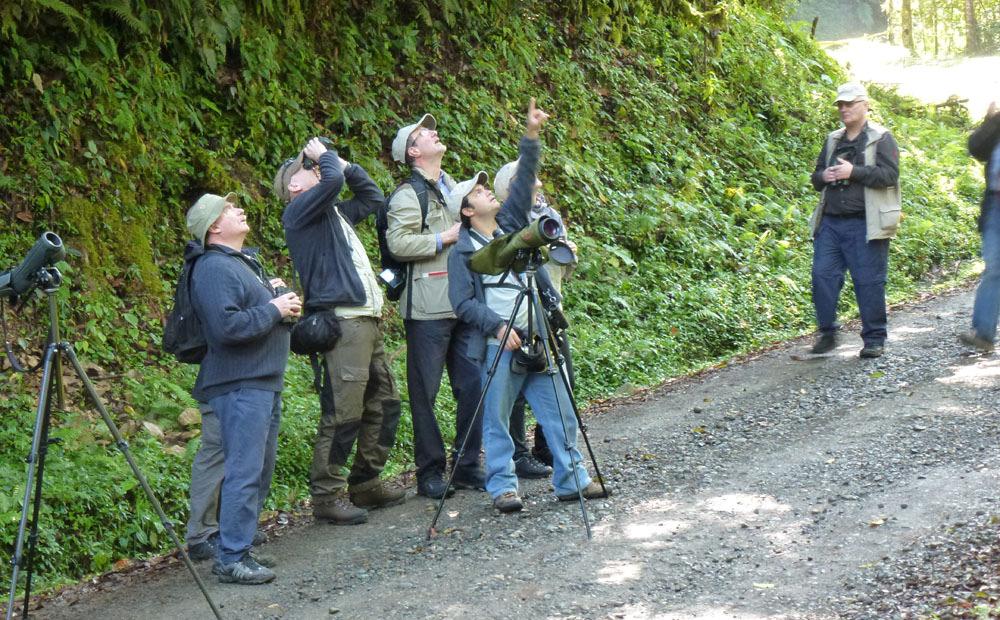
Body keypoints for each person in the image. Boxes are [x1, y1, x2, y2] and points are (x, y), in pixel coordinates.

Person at [447, 99, 609, 513]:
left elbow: (522, 185)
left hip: (539, 334)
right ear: (467, 211)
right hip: (500, 343)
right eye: (479, 192)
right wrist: (498, 328)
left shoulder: (511, 228)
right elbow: (462, 303)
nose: (488, 192)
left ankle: (573, 480)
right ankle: (503, 487)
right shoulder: (462, 251)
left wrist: (532, 135)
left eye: (487, 188)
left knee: (560, 411)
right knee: (497, 421)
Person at [275, 138, 405, 524]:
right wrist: (326, 159)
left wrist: (343, 163)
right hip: (344, 321)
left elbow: (372, 197)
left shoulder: (332, 214)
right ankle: (327, 496)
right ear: (294, 187)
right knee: (343, 413)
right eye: (306, 166)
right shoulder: (299, 212)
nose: (314, 167)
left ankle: (366, 482)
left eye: (314, 163)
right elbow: (330, 183)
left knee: (384, 402)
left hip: (367, 320)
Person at [186, 192, 301, 584]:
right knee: (244, 470)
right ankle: (231, 557)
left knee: (259, 469)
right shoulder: (214, 267)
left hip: (261, 379)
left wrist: (282, 309)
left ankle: (240, 545)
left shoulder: (243, 263)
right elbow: (227, 327)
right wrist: (274, 309)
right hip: (239, 382)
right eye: (229, 208)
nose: (239, 209)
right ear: (214, 227)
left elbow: (254, 317)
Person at [387, 115, 485, 498]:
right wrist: (444, 236)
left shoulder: (450, 187)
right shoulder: (407, 194)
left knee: (473, 385)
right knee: (424, 396)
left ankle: (466, 465)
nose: (432, 131)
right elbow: (399, 244)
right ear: (413, 151)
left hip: (463, 305)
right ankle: (429, 473)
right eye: (422, 133)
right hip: (426, 309)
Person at [492, 161, 580, 477]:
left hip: (550, 307)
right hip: (518, 311)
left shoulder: (548, 215)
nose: (538, 184)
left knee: (561, 376)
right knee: (514, 384)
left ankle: (550, 448)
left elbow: (562, 267)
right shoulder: (504, 220)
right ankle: (518, 454)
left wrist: (568, 253)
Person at [807, 81, 901, 359]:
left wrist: (853, 172)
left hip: (866, 222)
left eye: (850, 104)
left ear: (865, 105)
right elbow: (816, 176)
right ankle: (827, 334)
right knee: (822, 276)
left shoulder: (881, 138)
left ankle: (874, 339)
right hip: (831, 222)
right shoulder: (833, 139)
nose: (844, 109)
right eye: (841, 105)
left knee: (868, 281)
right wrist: (823, 176)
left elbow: (889, 176)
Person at [959, 101, 1000, 351]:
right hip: (996, 206)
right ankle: (983, 334)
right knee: (994, 268)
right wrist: (992, 120)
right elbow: (976, 148)